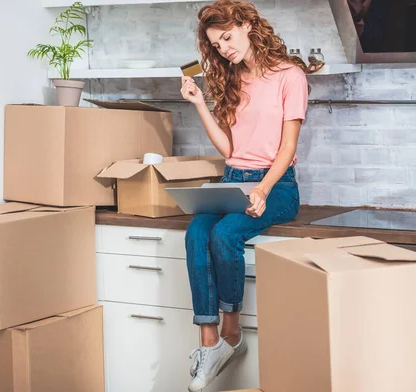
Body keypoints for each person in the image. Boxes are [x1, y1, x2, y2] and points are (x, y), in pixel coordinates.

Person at [179, 0, 308, 391]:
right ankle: (209, 342)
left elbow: (286, 149)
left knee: (224, 234)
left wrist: (264, 190)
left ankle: (232, 333)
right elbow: (229, 149)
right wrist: (200, 103)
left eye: (228, 38)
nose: (225, 49)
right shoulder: (232, 79)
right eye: (217, 45)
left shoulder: (290, 75)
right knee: (196, 233)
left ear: (248, 25)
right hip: (232, 178)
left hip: (278, 185)